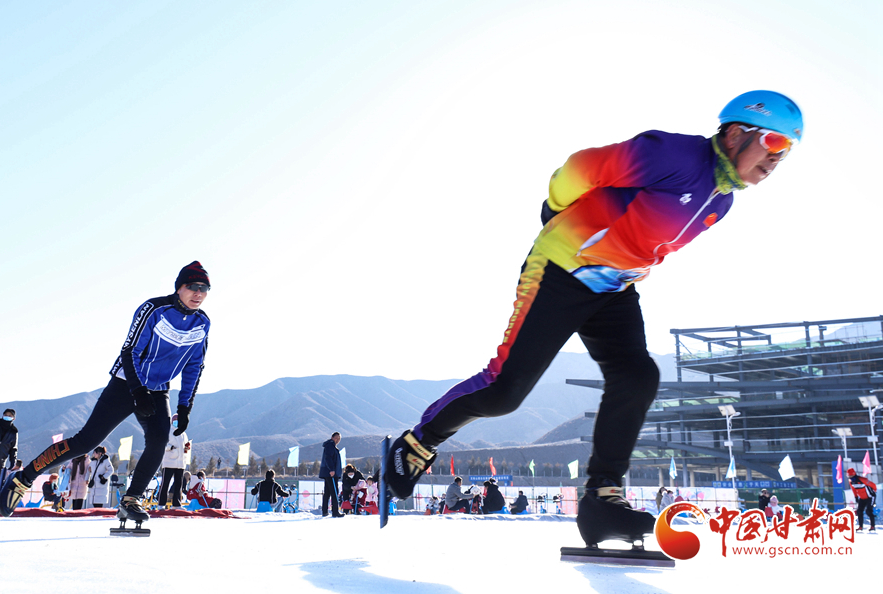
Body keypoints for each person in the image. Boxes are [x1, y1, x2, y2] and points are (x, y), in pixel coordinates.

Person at [383, 91, 803, 543]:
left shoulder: (722, 201)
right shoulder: (672, 153)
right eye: (775, 142)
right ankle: (418, 443)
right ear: (736, 133)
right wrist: (555, 210)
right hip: (562, 268)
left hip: (614, 288)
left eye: (788, 150)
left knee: (638, 376)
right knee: (505, 391)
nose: (777, 158)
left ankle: (602, 499)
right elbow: (580, 168)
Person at [0, 262, 212, 526]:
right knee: (85, 442)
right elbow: (129, 351)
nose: (198, 293)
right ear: (179, 288)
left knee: (158, 441)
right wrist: (137, 390)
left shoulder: (202, 323)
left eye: (204, 288)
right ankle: (23, 478)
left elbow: (194, 366)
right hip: (126, 383)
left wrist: (185, 407)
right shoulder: (153, 309)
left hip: (157, 390)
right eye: (192, 286)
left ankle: (131, 500)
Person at [158, 413, 190, 508]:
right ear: (172, 421)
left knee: (178, 484)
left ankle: (176, 504)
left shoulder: (183, 434)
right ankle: (161, 504)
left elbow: (185, 445)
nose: (177, 422)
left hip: (180, 463)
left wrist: (187, 447)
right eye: (175, 420)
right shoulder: (167, 432)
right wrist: (170, 447)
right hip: (169, 462)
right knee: (165, 484)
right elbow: (161, 444)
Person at [319, 431, 343, 518]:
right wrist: (332, 469)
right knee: (334, 492)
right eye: (336, 438)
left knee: (327, 492)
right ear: (332, 438)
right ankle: (335, 512)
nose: (337, 440)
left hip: (328, 472)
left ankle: (325, 511)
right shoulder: (330, 446)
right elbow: (328, 458)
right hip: (331, 473)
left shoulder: (331, 446)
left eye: (339, 439)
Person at [847, 468, 877, 533]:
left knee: (868, 511)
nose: (850, 477)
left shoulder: (863, 480)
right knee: (859, 511)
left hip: (870, 497)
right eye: (849, 476)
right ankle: (860, 526)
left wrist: (874, 491)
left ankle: (872, 526)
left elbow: (873, 485)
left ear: (854, 474)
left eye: (851, 476)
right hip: (862, 498)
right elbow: (853, 489)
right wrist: (856, 497)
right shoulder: (851, 482)